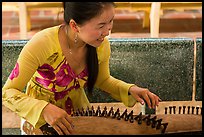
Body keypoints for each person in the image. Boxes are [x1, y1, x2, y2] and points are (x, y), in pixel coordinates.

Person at [2, 2, 161, 135]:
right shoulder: (42, 44)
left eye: (110, 21)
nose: (107, 31)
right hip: (40, 118)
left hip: (77, 113)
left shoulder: (100, 45)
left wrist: (130, 89)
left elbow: (103, 79)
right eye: (101, 25)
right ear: (74, 25)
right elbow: (7, 92)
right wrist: (44, 109)